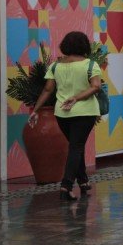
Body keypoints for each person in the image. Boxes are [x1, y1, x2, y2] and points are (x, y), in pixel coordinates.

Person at [29, 32, 101, 201]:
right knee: (76, 147)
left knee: (76, 145)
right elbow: (96, 86)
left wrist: (35, 110)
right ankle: (66, 186)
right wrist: (77, 97)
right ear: (84, 46)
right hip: (85, 112)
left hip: (62, 114)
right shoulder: (91, 65)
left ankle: (83, 181)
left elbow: (48, 90)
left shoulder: (55, 66)